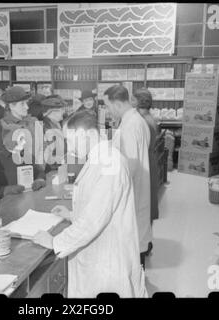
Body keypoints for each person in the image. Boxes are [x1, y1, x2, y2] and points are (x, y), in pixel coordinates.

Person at [33, 111, 144, 298]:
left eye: (71, 140)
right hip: (100, 253)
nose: (68, 148)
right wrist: (72, 214)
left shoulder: (110, 163)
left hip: (107, 263)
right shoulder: (99, 158)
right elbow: (100, 206)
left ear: (88, 134)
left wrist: (54, 242)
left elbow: (94, 220)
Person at [103, 85, 152, 269]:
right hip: (139, 187)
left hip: (132, 192)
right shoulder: (136, 120)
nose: (108, 111)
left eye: (108, 106)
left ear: (116, 104)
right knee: (136, 238)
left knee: (132, 243)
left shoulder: (130, 126)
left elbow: (129, 165)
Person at [0, 86, 47, 197]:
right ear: (11, 106)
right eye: (22, 104)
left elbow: (43, 146)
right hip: (13, 183)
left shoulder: (33, 121)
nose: (27, 107)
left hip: (36, 176)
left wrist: (40, 175)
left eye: (27, 103)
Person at [133, 88, 160, 224]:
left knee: (144, 199)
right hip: (149, 160)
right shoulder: (148, 117)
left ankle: (145, 240)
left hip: (145, 161)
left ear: (139, 102)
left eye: (133, 100)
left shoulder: (142, 121)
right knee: (147, 198)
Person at [40, 97, 66, 173]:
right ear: (51, 112)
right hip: (53, 170)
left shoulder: (57, 124)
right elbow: (48, 156)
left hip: (59, 167)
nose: (63, 112)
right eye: (61, 110)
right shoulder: (46, 128)